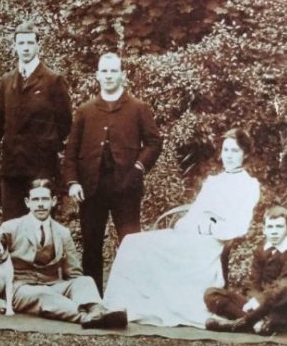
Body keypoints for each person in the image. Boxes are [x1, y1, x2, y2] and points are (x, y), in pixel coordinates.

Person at [102, 128, 261, 328]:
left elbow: (239, 225)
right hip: (191, 234)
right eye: (225, 150)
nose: (229, 156)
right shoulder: (213, 181)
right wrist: (187, 224)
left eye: (235, 151)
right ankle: (119, 306)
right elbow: (195, 213)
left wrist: (210, 228)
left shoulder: (248, 185)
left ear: (245, 154)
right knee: (133, 242)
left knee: (151, 246)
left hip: (210, 243)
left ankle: (153, 305)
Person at [0, 178, 127, 329]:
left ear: (53, 201)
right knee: (42, 293)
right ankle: (85, 317)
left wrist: (77, 289)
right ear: (27, 203)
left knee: (84, 281)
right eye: (35, 200)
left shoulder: (62, 233)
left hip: (53, 284)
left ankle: (97, 310)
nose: (41, 205)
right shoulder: (10, 228)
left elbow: (74, 273)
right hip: (20, 288)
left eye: (45, 199)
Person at [63, 52, 162, 295]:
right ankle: (92, 299)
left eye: (113, 71)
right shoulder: (85, 111)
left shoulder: (138, 108)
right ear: (97, 75)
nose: (108, 76)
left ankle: (130, 297)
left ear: (122, 75)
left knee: (130, 245)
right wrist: (73, 182)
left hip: (126, 188)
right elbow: (71, 151)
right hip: (91, 188)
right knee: (91, 245)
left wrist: (138, 168)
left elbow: (154, 143)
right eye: (104, 71)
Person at [0, 21, 72, 220]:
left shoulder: (53, 80)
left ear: (38, 46)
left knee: (40, 223)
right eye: (21, 43)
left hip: (41, 167)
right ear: (15, 46)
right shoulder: (7, 82)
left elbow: (65, 123)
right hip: (12, 168)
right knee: (12, 225)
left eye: (30, 42)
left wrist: (46, 144)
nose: (25, 48)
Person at [205, 206, 287, 335]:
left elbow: (285, 284)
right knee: (212, 294)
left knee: (284, 286)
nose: (274, 232)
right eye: (270, 227)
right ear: (264, 230)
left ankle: (241, 324)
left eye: (279, 227)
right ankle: (258, 323)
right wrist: (254, 300)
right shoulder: (262, 248)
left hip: (285, 305)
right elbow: (253, 282)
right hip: (262, 305)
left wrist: (259, 300)